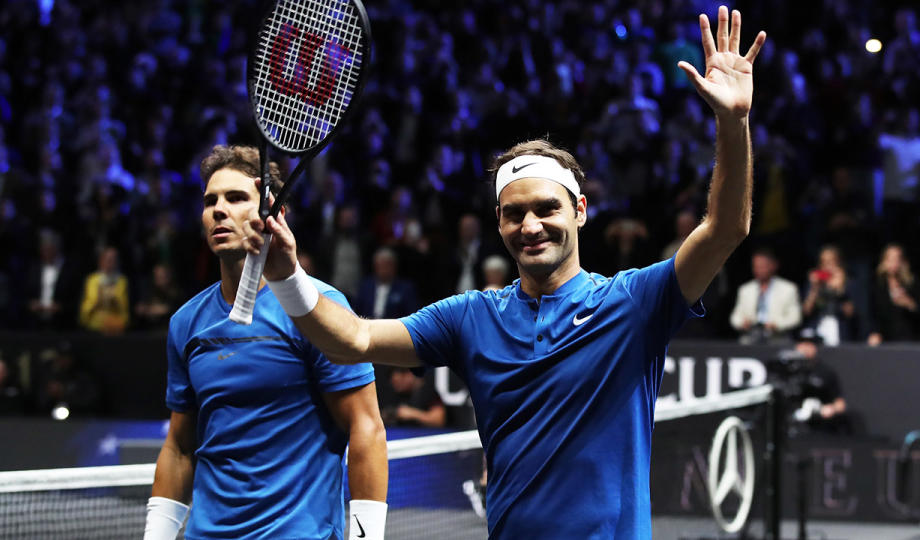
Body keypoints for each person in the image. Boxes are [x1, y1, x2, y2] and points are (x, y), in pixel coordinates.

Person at [244, 8, 764, 538]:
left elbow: (725, 229)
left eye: (547, 208)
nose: (531, 225)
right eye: (515, 214)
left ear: (580, 211)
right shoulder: (471, 316)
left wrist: (734, 122)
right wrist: (287, 273)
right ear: (498, 222)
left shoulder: (633, 304)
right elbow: (352, 340)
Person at [146, 145, 387, 540]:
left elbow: (367, 428)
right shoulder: (186, 323)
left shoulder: (320, 311)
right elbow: (178, 448)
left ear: (274, 213)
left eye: (237, 198)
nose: (219, 210)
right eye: (210, 201)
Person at [729, 248, 802, 344]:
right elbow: (735, 317)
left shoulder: (788, 289)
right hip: (750, 339)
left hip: (777, 340)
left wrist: (775, 325)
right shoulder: (745, 290)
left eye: (762, 266)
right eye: (756, 267)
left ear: (773, 266)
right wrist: (743, 323)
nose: (758, 270)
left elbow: (795, 318)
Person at [802, 244, 856, 345]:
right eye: (824, 262)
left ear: (838, 262)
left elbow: (850, 313)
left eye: (831, 262)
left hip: (840, 331)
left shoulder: (848, 283)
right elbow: (806, 311)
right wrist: (814, 288)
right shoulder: (815, 283)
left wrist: (840, 289)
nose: (828, 266)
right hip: (818, 328)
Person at [868, 243, 919, 345]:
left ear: (903, 262)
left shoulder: (912, 284)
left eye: (897, 259)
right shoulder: (878, 285)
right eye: (890, 259)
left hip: (911, 340)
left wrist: (910, 304)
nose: (894, 263)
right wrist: (875, 332)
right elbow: (872, 314)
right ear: (883, 262)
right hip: (887, 340)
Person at [78, 246, 130, 334]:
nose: (111, 263)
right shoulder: (92, 280)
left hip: (116, 325)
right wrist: (98, 300)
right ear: (101, 261)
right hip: (94, 325)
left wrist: (115, 300)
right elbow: (87, 306)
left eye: (114, 260)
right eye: (108, 260)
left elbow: (124, 309)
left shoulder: (122, 281)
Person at [380, 367, 445, 428]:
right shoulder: (394, 394)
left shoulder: (428, 392)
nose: (396, 385)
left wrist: (412, 414)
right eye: (394, 383)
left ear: (410, 374)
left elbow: (438, 420)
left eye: (399, 382)